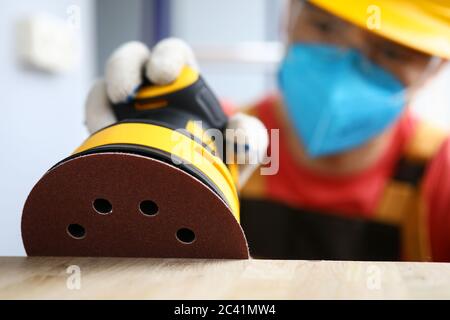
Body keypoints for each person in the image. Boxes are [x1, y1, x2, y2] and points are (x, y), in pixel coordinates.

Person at [85, 0, 450, 262]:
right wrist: (130, 162)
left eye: (392, 51)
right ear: (288, 16)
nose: (345, 66)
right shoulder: (216, 139)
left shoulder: (441, 173)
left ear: (437, 67)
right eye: (324, 27)